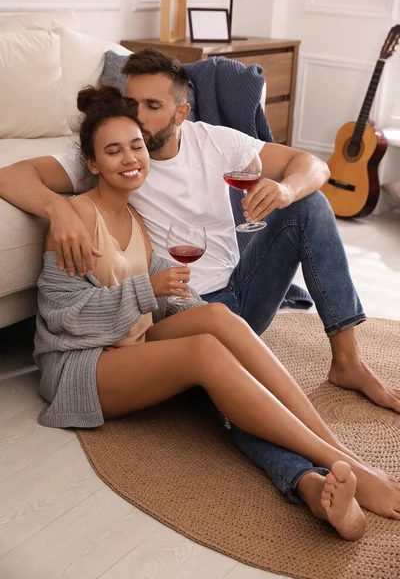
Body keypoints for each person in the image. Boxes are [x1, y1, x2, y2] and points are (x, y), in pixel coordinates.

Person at [0, 50, 399, 522]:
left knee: (233, 301)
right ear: (92, 161)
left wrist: (286, 191)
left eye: (149, 112)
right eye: (130, 109)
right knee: (213, 358)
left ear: (181, 113)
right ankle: (326, 471)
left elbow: (308, 165)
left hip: (165, 319)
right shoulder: (90, 194)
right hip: (96, 353)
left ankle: (341, 423)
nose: (135, 135)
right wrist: (58, 208)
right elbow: (66, 316)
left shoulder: (154, 196)